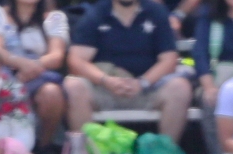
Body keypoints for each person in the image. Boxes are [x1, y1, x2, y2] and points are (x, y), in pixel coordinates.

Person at [64, 0, 194, 144]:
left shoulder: (156, 12)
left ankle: (165, 151)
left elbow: (169, 60)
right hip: (105, 89)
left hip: (146, 90)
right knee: (73, 86)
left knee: (180, 88)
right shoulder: (96, 13)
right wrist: (106, 80)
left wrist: (142, 83)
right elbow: (76, 60)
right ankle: (87, 153)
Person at [0, 0, 70, 151]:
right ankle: (0, 148)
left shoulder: (55, 17)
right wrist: (20, 64)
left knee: (52, 93)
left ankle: (44, 148)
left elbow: (57, 56)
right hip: (6, 72)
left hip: (39, 74)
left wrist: (31, 67)